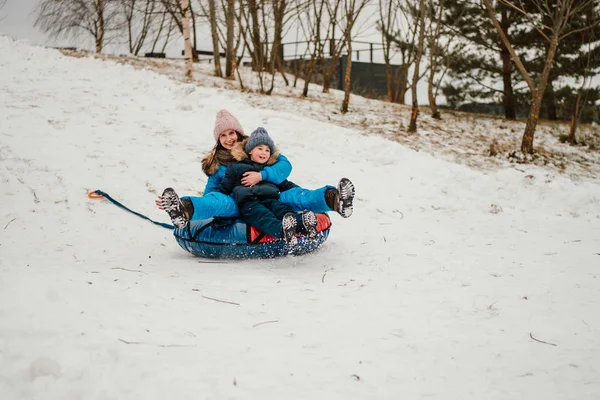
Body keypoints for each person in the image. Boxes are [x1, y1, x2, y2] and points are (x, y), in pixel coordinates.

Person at [157, 109, 355, 228]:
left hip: (271, 194)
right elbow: (213, 192)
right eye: (223, 135)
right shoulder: (215, 163)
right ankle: (182, 210)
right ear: (218, 140)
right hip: (240, 201)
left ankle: (336, 200)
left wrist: (262, 175)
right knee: (218, 201)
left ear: (239, 132)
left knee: (297, 196)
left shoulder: (256, 147)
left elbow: (284, 165)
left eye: (231, 133)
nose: (228, 139)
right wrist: (203, 206)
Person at [215, 127, 318, 244]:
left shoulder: (269, 170)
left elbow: (285, 184)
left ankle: (305, 225)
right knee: (264, 216)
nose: (264, 152)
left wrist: (300, 191)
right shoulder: (236, 167)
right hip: (249, 202)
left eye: (267, 150)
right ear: (250, 151)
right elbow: (224, 187)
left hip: (270, 199)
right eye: (260, 148)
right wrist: (215, 204)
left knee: (282, 211)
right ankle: (283, 232)